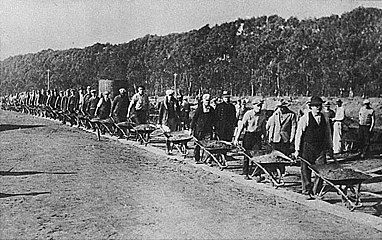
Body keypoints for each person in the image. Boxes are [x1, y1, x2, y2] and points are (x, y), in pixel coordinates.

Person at [294, 96, 333, 196]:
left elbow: (328, 134)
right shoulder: (305, 118)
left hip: (320, 148)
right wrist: (297, 149)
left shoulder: (325, 117)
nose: (318, 108)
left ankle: (316, 190)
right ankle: (306, 190)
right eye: (315, 106)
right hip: (307, 147)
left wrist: (330, 148)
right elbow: (299, 134)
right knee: (305, 169)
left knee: (321, 169)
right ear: (311, 107)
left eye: (319, 106)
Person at [234, 99, 267, 180]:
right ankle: (246, 173)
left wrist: (265, 137)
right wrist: (236, 139)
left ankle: (257, 174)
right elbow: (241, 127)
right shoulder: (248, 114)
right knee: (247, 155)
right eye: (258, 106)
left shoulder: (262, 115)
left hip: (257, 136)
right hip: (248, 136)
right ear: (253, 106)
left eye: (260, 106)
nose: (259, 108)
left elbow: (263, 127)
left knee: (258, 155)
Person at [191, 94, 217, 163]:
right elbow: (194, 119)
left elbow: (214, 119)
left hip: (208, 130)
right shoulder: (199, 109)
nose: (207, 102)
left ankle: (207, 159)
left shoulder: (211, 109)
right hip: (199, 130)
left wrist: (214, 128)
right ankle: (197, 158)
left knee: (208, 144)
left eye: (208, 101)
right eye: (206, 101)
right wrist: (191, 128)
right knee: (198, 144)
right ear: (203, 100)